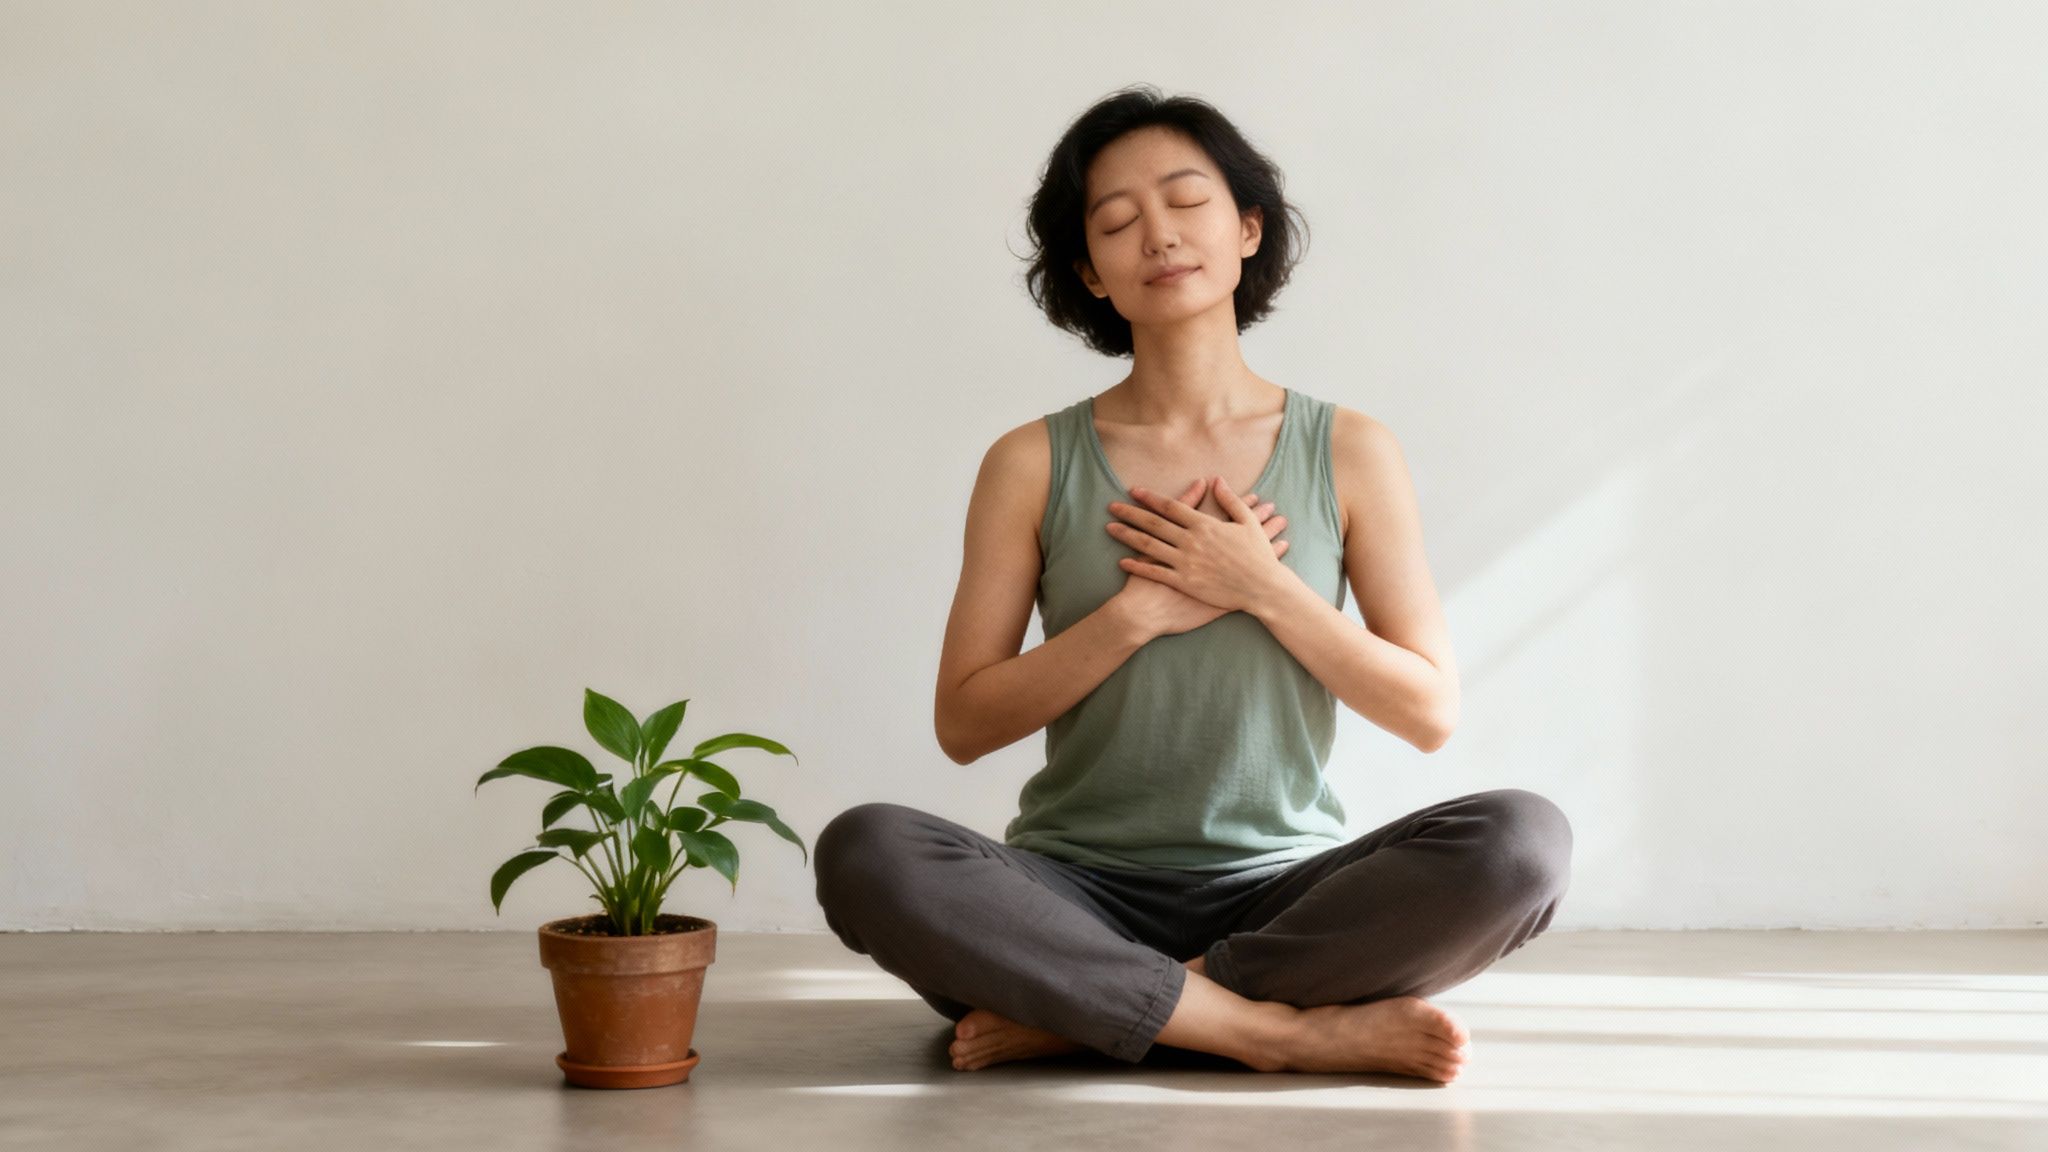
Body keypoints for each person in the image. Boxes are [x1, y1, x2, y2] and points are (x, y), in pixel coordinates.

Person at [814, 85, 1571, 1082]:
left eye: (1186, 202)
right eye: (1117, 222)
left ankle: (1097, 1007)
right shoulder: (1029, 462)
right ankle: (1268, 1030)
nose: (1157, 236)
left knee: (1520, 844)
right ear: (1089, 271)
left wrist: (1261, 586)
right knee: (865, 852)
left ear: (1247, 228)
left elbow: (1426, 709)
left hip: (1283, 894)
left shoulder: (1348, 449)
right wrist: (1135, 615)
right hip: (1069, 892)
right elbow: (964, 722)